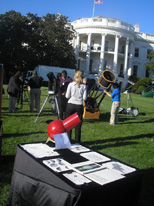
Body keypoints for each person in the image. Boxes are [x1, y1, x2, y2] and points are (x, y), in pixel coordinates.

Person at [65, 70, 87, 143]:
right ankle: (77, 142)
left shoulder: (71, 84)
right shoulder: (84, 86)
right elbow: (85, 98)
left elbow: (67, 96)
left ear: (75, 76)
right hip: (79, 105)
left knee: (68, 124)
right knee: (78, 125)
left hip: (70, 104)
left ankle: (68, 140)